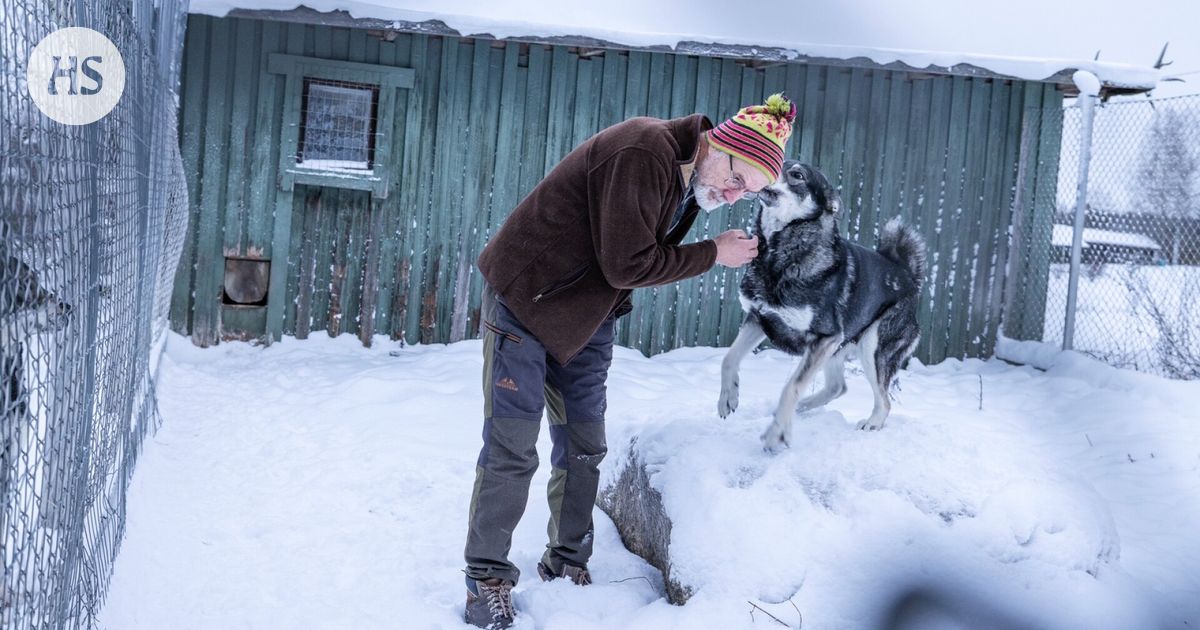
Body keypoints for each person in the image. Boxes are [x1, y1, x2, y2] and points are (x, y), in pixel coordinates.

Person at [462, 94, 797, 629]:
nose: (734, 195)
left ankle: (567, 562)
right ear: (720, 144)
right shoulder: (644, 151)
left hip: (587, 314)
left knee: (584, 445)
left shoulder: (693, 177)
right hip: (526, 299)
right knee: (512, 448)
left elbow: (622, 263)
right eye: (737, 178)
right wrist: (713, 253)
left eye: (748, 192)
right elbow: (627, 264)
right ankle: (487, 580)